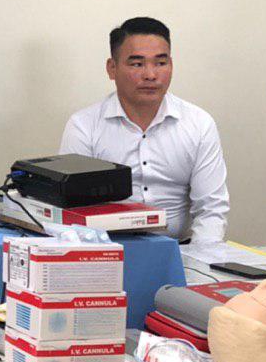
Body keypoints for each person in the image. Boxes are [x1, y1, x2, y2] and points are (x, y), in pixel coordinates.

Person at [60, 17, 229, 243]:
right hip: (106, 251)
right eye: (137, 64)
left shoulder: (199, 124)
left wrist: (198, 259)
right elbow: (73, 211)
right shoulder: (84, 126)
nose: (150, 75)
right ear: (112, 68)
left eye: (160, 63)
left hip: (180, 250)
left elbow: (211, 209)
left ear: (171, 65)